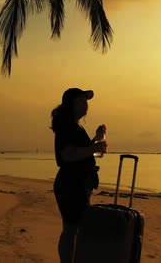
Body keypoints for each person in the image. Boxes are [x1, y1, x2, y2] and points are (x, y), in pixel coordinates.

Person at [50, 87, 107, 263]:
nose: (85, 104)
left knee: (73, 228)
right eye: (81, 101)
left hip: (77, 184)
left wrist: (96, 140)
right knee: (72, 229)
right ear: (71, 105)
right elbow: (68, 154)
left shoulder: (74, 126)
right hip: (71, 184)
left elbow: (81, 152)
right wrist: (94, 148)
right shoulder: (67, 126)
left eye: (86, 101)